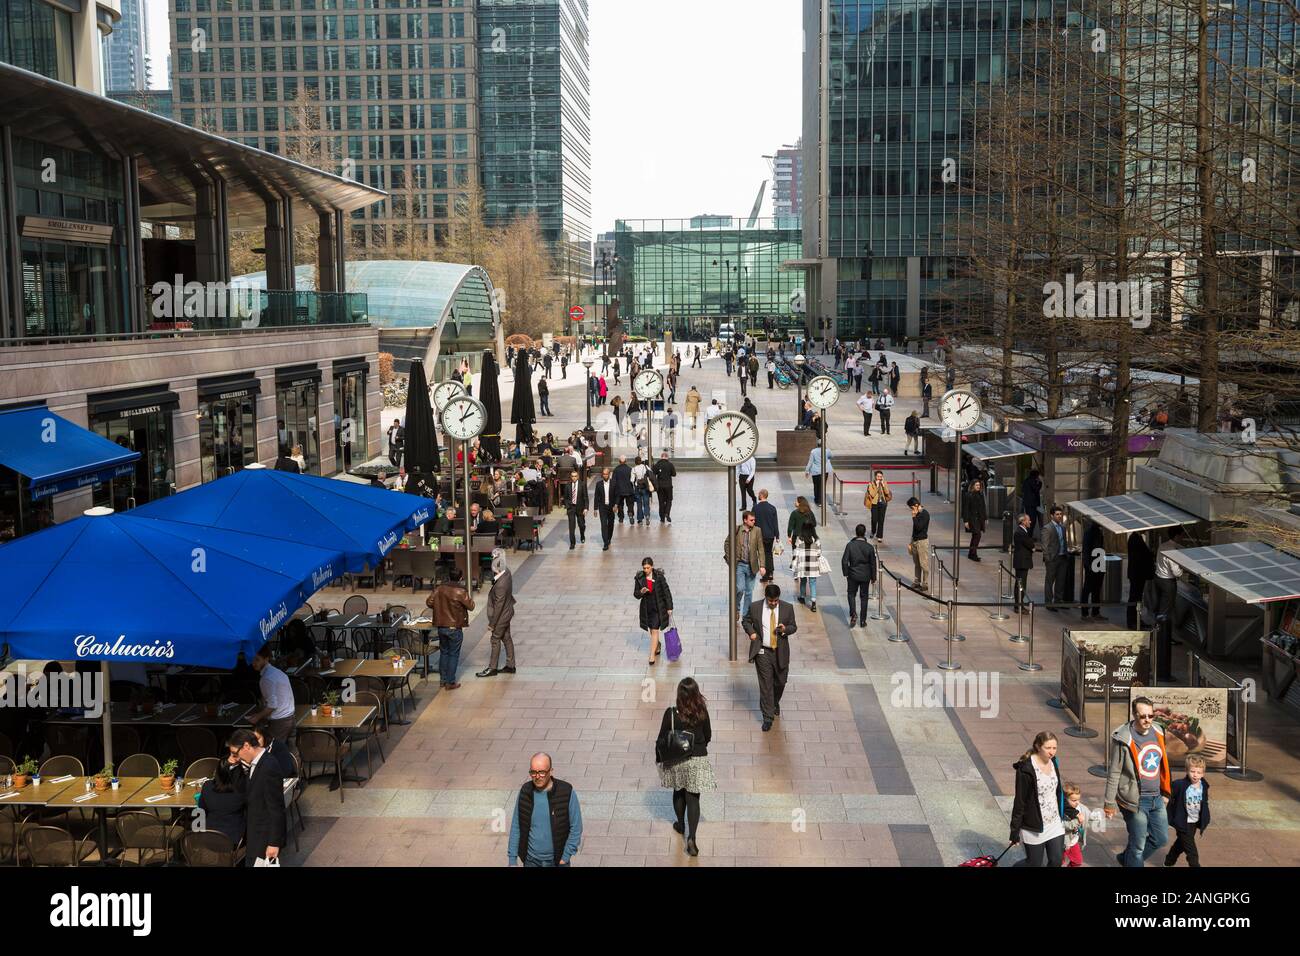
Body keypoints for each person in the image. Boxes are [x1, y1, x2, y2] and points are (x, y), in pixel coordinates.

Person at [1104, 697, 1171, 868]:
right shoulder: (1123, 738)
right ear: (1134, 715)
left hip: (1157, 797)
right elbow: (1114, 773)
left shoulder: (1158, 731)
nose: (1147, 720)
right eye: (1143, 716)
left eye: (1151, 715)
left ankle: (1126, 859)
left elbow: (1162, 763)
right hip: (1135, 801)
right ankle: (1132, 860)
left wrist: (1165, 791)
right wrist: (1109, 803)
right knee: (1138, 845)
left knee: (1161, 838)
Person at [656, 678, 716, 857]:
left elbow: (661, 738)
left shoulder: (672, 713)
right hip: (697, 757)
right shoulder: (702, 712)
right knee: (694, 799)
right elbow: (708, 735)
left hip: (677, 760)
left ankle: (680, 824)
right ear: (696, 694)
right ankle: (692, 838)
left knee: (678, 791)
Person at [507, 753, 582, 867]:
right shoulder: (525, 792)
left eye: (542, 772)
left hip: (557, 862)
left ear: (551, 771)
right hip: (530, 861)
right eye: (533, 772)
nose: (537, 776)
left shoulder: (566, 792)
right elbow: (516, 826)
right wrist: (512, 860)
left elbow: (576, 827)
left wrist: (565, 857)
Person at [742, 584, 798, 732]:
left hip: (780, 651)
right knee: (766, 685)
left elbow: (793, 626)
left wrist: (785, 629)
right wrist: (751, 632)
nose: (773, 603)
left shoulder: (787, 608)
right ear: (765, 597)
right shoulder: (755, 607)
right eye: (770, 601)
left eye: (776, 601)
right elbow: (746, 621)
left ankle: (774, 702)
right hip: (762, 652)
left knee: (780, 681)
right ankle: (767, 717)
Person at [226, 729, 286, 867]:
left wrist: (273, 843)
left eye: (236, 753)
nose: (237, 756)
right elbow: (243, 790)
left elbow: (276, 808)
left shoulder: (268, 766)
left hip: (264, 837)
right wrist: (234, 765)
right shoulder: (255, 763)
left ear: (246, 746)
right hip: (255, 833)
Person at [1009, 731, 1066, 867]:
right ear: (1038, 746)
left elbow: (1058, 791)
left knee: (1056, 860)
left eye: (1054, 748)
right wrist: (1014, 831)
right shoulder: (1026, 769)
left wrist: (1071, 811)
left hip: (1054, 822)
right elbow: (1020, 802)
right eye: (1048, 748)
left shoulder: (1054, 762)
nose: (1052, 752)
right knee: (1033, 864)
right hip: (1033, 825)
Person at [428, 567, 474, 689]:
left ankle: (443, 680)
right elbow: (471, 606)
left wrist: (440, 606)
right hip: (454, 627)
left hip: (441, 626)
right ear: (460, 578)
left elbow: (429, 602)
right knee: (453, 654)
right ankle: (450, 681)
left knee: (444, 652)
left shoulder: (439, 589)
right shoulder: (460, 591)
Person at [1165, 755, 1210, 868]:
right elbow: (1168, 794)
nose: (1195, 775)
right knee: (1192, 852)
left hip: (1194, 822)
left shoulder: (1204, 785)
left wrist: (1205, 817)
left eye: (1199, 772)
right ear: (1187, 771)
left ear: (1203, 773)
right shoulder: (1180, 785)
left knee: (1181, 844)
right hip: (1182, 821)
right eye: (1192, 771)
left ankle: (1169, 861)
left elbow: (1204, 801)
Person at [477, 550, 517, 678]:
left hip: (502, 615)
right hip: (508, 611)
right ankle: (510, 665)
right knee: (506, 637)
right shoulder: (507, 573)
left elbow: (499, 606)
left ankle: (492, 668)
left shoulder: (501, 585)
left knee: (495, 639)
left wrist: (492, 624)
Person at [248, 644, 295, 750]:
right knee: (292, 751)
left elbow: (272, 705)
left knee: (272, 751)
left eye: (257, 660)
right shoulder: (277, 672)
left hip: (280, 721)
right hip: (290, 717)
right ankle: (296, 767)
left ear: (266, 659)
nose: (254, 663)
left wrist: (257, 717)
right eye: (252, 659)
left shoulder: (266, 678)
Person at [1152, 527, 1185, 680]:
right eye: (1181, 535)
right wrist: (1183, 571)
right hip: (1168, 582)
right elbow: (1176, 572)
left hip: (1158, 578)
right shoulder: (1172, 550)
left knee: (1161, 607)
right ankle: (1163, 633)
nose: (1183, 538)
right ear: (1177, 536)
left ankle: (1159, 628)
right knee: (1166, 610)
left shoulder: (1163, 545)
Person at [197, 751, 248, 844]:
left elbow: (201, 808)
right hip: (234, 842)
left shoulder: (207, 785)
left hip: (209, 839)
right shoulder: (243, 788)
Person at [725, 510, 767, 619]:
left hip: (752, 566)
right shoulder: (737, 529)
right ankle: (736, 608)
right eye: (751, 520)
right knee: (739, 588)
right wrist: (730, 559)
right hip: (739, 564)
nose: (754, 521)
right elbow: (727, 543)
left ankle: (746, 615)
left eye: (754, 520)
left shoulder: (757, 530)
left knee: (749, 591)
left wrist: (762, 565)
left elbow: (761, 549)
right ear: (745, 520)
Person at [634, 556, 674, 665]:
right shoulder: (639, 577)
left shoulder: (659, 577)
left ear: (652, 566)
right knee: (651, 630)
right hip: (647, 608)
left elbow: (667, 592)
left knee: (655, 630)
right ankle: (657, 644)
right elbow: (636, 594)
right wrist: (641, 591)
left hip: (658, 607)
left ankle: (652, 655)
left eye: (648, 568)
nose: (646, 570)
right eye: (644, 568)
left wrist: (669, 607)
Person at [841, 524, 878, 627]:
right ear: (864, 533)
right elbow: (873, 563)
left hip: (853, 574)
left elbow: (844, 561)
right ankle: (863, 620)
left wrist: (846, 574)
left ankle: (853, 614)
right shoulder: (869, 547)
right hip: (865, 575)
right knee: (864, 597)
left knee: (851, 594)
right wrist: (873, 577)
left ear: (856, 533)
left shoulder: (850, 545)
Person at [1127, 532, 1156, 629]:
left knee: (1137, 597)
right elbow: (1139, 556)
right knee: (1134, 597)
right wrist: (1150, 554)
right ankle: (1132, 621)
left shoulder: (1137, 538)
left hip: (1138, 574)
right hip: (1137, 574)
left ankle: (1136, 619)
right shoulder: (1135, 538)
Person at [791, 523, 822, 612]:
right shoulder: (816, 539)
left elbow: (796, 552)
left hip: (803, 565)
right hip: (813, 565)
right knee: (813, 583)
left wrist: (793, 563)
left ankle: (802, 596)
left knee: (803, 581)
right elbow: (819, 553)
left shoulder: (800, 539)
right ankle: (813, 602)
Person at [1042, 505, 1068, 610]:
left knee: (1061, 581)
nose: (1059, 516)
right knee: (1050, 581)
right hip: (1053, 559)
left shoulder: (1062, 527)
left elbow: (1063, 542)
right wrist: (1048, 559)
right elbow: (1045, 545)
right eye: (1057, 514)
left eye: (1061, 514)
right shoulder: (1047, 528)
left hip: (1062, 557)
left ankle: (1058, 600)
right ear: (1052, 515)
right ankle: (1048, 603)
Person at [1080, 519, 1106, 619]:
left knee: (1096, 589)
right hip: (1092, 564)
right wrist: (1088, 565)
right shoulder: (1089, 533)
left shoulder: (1099, 532)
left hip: (1098, 563)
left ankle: (1095, 612)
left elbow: (1100, 548)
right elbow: (1086, 550)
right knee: (1087, 589)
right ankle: (1085, 612)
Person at [753, 489, 779, 583]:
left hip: (759, 535)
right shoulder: (772, 508)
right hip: (770, 535)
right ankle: (770, 573)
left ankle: (764, 575)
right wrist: (777, 536)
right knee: (769, 554)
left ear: (761, 495)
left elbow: (753, 522)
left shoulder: (755, 508)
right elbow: (775, 523)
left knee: (762, 555)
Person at [1061, 782, 1089, 868]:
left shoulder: (1079, 807)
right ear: (1065, 800)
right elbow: (1064, 825)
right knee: (1058, 862)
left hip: (1073, 841)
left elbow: (1086, 813)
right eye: (1074, 800)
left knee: (1077, 862)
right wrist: (1078, 821)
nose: (1077, 803)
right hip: (1063, 842)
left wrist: (1095, 816)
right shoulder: (1063, 812)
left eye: (1078, 800)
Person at [906, 497, 931, 591]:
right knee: (916, 563)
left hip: (922, 542)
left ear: (916, 506)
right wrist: (911, 541)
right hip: (915, 541)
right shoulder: (917, 513)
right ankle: (917, 581)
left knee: (923, 563)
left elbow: (919, 527)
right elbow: (914, 530)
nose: (911, 510)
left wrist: (914, 517)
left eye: (912, 508)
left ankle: (925, 583)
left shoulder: (924, 514)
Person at [1012, 513, 1035, 613]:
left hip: (1023, 562)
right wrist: (1032, 546)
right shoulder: (1020, 532)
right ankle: (1018, 606)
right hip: (1021, 562)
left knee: (1022, 584)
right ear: (1023, 521)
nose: (1030, 522)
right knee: (1020, 584)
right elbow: (1030, 544)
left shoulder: (1023, 531)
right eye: (1028, 520)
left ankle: (1019, 603)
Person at [563, 468, 588, 549]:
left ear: (578, 476)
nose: (574, 478)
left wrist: (586, 508)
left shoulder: (582, 484)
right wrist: (567, 506)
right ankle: (572, 543)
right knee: (571, 526)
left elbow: (585, 497)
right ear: (571, 477)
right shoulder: (567, 485)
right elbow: (565, 497)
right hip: (571, 508)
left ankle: (582, 535)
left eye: (575, 476)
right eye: (572, 476)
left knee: (581, 524)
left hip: (580, 507)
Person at [593, 467, 617, 550]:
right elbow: (596, 497)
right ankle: (605, 543)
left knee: (611, 524)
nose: (605, 476)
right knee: (603, 525)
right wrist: (595, 509)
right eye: (603, 474)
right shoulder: (599, 484)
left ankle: (609, 538)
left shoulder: (614, 483)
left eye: (606, 474)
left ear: (609, 474)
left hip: (611, 507)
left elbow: (617, 495)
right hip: (602, 507)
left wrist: (616, 505)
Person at [964, 478, 987, 561]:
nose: (978, 486)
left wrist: (985, 518)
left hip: (979, 519)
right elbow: (965, 509)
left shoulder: (980, 494)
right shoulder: (968, 495)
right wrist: (966, 521)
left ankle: (971, 553)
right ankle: (973, 553)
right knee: (977, 535)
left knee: (975, 536)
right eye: (976, 485)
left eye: (979, 485)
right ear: (973, 486)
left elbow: (983, 507)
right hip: (972, 519)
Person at [865, 470, 892, 542]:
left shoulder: (884, 483)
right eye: (878, 476)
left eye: (881, 477)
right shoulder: (871, 484)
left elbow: (887, 492)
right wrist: (876, 486)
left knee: (881, 520)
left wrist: (883, 485)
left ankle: (879, 536)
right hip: (874, 503)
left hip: (883, 503)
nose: (879, 478)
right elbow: (872, 494)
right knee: (874, 519)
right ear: (875, 477)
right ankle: (873, 531)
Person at [652, 452, 676, 523]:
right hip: (668, 486)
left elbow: (653, 473)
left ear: (661, 457)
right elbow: (674, 474)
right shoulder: (670, 464)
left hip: (660, 486)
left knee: (661, 502)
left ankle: (662, 518)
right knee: (669, 500)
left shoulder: (657, 464)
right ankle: (667, 513)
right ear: (667, 457)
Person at [611, 454, 636, 524]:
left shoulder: (616, 470)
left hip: (619, 491)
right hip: (629, 490)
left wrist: (613, 491)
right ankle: (630, 514)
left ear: (619, 461)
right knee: (630, 504)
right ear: (626, 461)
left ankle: (621, 518)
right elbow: (633, 480)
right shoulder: (630, 469)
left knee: (620, 505)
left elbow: (613, 481)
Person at [631, 455, 653, 527]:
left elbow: (631, 480)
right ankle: (647, 516)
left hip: (638, 488)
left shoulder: (633, 469)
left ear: (635, 462)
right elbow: (651, 473)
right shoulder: (645, 467)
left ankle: (640, 519)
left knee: (639, 504)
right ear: (641, 461)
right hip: (645, 487)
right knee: (646, 503)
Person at [1021, 469, 1043, 537]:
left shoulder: (1026, 480)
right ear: (1036, 475)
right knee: (1032, 520)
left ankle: (1028, 535)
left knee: (1029, 519)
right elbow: (1036, 489)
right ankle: (1029, 536)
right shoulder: (1033, 481)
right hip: (1032, 504)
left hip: (1027, 503)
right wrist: (1040, 483)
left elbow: (1022, 490)